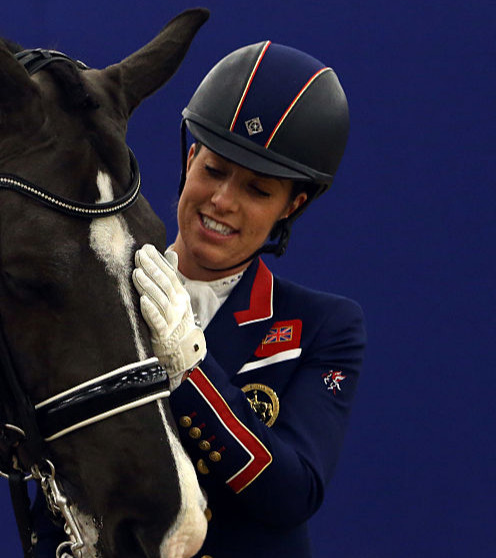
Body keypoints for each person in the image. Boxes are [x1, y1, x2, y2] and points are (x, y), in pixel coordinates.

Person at [35, 40, 365, 558]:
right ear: (191, 159)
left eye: (258, 190)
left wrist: (190, 369)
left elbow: (292, 494)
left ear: (291, 206)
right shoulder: (102, 291)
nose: (223, 200)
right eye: (213, 170)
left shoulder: (325, 327)